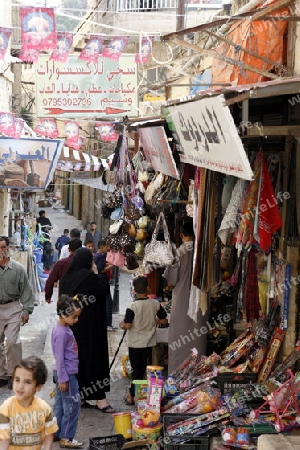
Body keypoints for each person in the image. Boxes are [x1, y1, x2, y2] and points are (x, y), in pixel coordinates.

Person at [60, 248, 116, 413]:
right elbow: (104, 287)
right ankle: (100, 399)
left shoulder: (66, 278)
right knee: (94, 361)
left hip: (72, 327)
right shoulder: (89, 277)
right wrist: (97, 271)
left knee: (76, 361)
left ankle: (81, 397)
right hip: (91, 329)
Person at [163, 222, 208, 374]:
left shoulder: (178, 253)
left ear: (181, 235)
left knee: (179, 341)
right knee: (198, 339)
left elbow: (170, 281)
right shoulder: (203, 252)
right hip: (200, 304)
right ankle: (198, 375)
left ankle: (176, 378)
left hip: (181, 303)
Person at [119, 276, 168, 406]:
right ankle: (144, 395)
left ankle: (131, 396)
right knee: (144, 370)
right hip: (149, 344)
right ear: (148, 288)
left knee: (137, 371)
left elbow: (128, 325)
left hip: (135, 344)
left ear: (134, 290)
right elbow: (164, 321)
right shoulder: (155, 304)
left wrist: (121, 324)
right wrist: (154, 321)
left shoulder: (132, 306)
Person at [0, 356, 58, 450]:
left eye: (27, 382)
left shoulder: (45, 409)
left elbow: (49, 434)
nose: (20, 386)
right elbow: (3, 440)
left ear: (38, 387)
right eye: (17, 380)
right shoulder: (6, 409)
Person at [0, 236, 35, 389]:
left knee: (12, 342)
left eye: (3, 247)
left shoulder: (18, 269)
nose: (1, 251)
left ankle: (14, 375)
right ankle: (2, 374)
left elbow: (26, 292)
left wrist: (26, 311)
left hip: (13, 308)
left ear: (8, 248)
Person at [51, 295, 83, 449]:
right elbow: (59, 357)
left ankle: (57, 432)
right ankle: (67, 437)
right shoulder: (62, 332)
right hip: (66, 375)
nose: (76, 320)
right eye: (74, 317)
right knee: (72, 405)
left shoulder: (61, 328)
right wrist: (63, 379)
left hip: (61, 373)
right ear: (64, 314)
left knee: (60, 404)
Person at [45, 238, 82, 304]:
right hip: (81, 301)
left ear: (68, 250)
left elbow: (50, 281)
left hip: (64, 301)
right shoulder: (85, 263)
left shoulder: (61, 263)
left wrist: (48, 296)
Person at [94, 240, 115, 330]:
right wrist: (112, 265)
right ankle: (108, 324)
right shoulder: (99, 256)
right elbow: (101, 270)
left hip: (100, 282)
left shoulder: (97, 256)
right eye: (107, 247)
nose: (108, 248)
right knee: (108, 303)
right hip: (102, 282)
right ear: (102, 247)